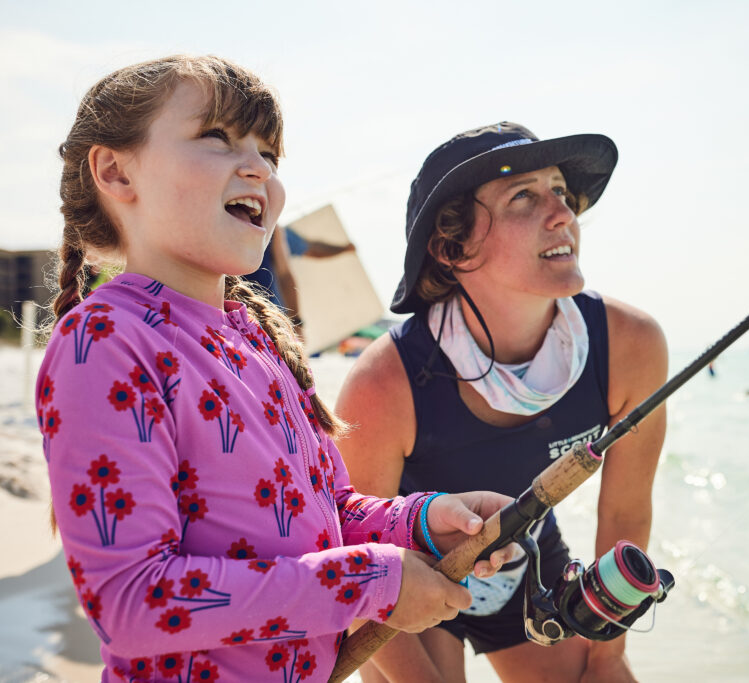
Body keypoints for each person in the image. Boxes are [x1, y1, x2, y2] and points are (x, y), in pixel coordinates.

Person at [36, 56, 514, 681]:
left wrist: (422, 522)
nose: (259, 167)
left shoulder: (257, 337)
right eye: (217, 137)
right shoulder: (104, 341)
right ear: (116, 171)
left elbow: (326, 515)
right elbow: (133, 601)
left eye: (270, 152)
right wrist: (372, 581)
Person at [335, 122, 669, 682]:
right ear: (454, 247)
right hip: (405, 582)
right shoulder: (382, 383)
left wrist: (609, 656)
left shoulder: (632, 345)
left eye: (562, 191)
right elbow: (353, 556)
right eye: (524, 197)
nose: (563, 212)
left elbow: (624, 513)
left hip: (530, 558)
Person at [243, 225, 356, 326]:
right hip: (259, 319)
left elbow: (310, 250)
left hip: (266, 320)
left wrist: (344, 249)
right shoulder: (272, 228)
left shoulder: (272, 228)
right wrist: (296, 322)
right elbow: (285, 275)